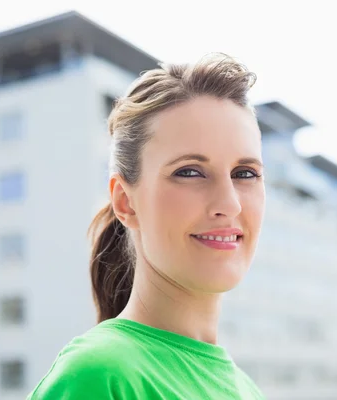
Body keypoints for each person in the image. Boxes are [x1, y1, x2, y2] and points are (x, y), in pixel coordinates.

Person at [27, 53, 267, 399]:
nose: (230, 203)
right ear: (125, 202)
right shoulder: (100, 376)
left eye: (245, 173)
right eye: (189, 172)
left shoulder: (247, 391)